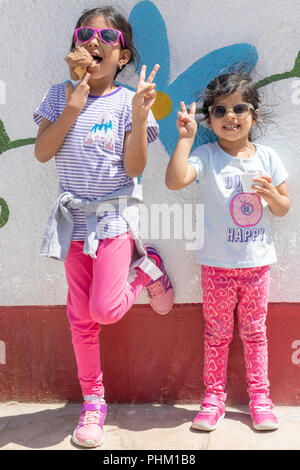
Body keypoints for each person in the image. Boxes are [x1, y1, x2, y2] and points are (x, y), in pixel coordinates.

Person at [33, 6, 174, 448]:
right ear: (75, 46)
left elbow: (134, 167)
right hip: (72, 221)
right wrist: (73, 106)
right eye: (85, 33)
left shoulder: (129, 101)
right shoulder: (60, 95)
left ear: (123, 56)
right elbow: (42, 153)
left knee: (106, 310)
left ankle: (145, 263)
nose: (95, 41)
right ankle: (94, 402)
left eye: (107, 37)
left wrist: (136, 116)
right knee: (81, 318)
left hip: (113, 219)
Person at [165, 72, 289, 432]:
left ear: (254, 114)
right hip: (216, 266)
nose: (230, 116)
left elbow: (283, 207)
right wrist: (185, 140)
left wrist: (271, 197)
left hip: (256, 266)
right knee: (217, 334)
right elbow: (174, 181)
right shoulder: (205, 155)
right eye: (219, 110)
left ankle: (260, 399)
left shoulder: (268, 157)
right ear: (209, 119)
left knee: (255, 333)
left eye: (239, 108)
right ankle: (213, 399)